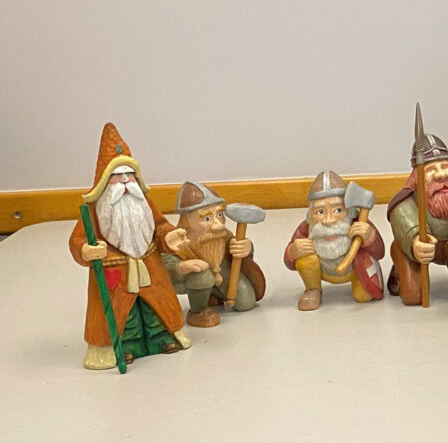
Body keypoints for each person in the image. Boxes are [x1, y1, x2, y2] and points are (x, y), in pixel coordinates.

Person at [68, 122, 191, 369]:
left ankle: (163, 339)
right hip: (116, 275)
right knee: (125, 314)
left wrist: (169, 237)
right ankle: (125, 348)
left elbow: (159, 226)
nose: (124, 181)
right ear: (104, 181)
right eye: (116, 176)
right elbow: (77, 240)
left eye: (129, 175)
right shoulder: (94, 210)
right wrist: (86, 251)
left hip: (150, 269)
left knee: (154, 309)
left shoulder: (143, 203)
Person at [386, 124, 448, 305]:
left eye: (444, 167)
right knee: (413, 297)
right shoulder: (406, 201)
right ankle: (400, 272)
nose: (441, 175)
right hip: (418, 251)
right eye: (431, 170)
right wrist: (415, 240)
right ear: (416, 177)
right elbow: (402, 217)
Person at [162, 181, 266, 327]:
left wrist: (247, 248)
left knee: (245, 302)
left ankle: (213, 294)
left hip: (221, 271)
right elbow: (164, 262)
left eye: (220, 214)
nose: (218, 225)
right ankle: (197, 312)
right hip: (188, 278)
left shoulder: (224, 236)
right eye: (207, 219)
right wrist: (182, 266)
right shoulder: (178, 241)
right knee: (203, 276)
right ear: (187, 221)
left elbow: (239, 251)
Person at [284, 170, 384, 311]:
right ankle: (313, 289)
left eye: (337, 210)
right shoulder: (307, 228)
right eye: (320, 212)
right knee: (305, 258)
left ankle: (361, 282)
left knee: (363, 296)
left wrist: (369, 237)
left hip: (354, 269)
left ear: (349, 211)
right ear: (310, 214)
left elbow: (379, 252)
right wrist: (293, 252)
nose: (328, 220)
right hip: (322, 269)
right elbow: (289, 262)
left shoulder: (358, 223)